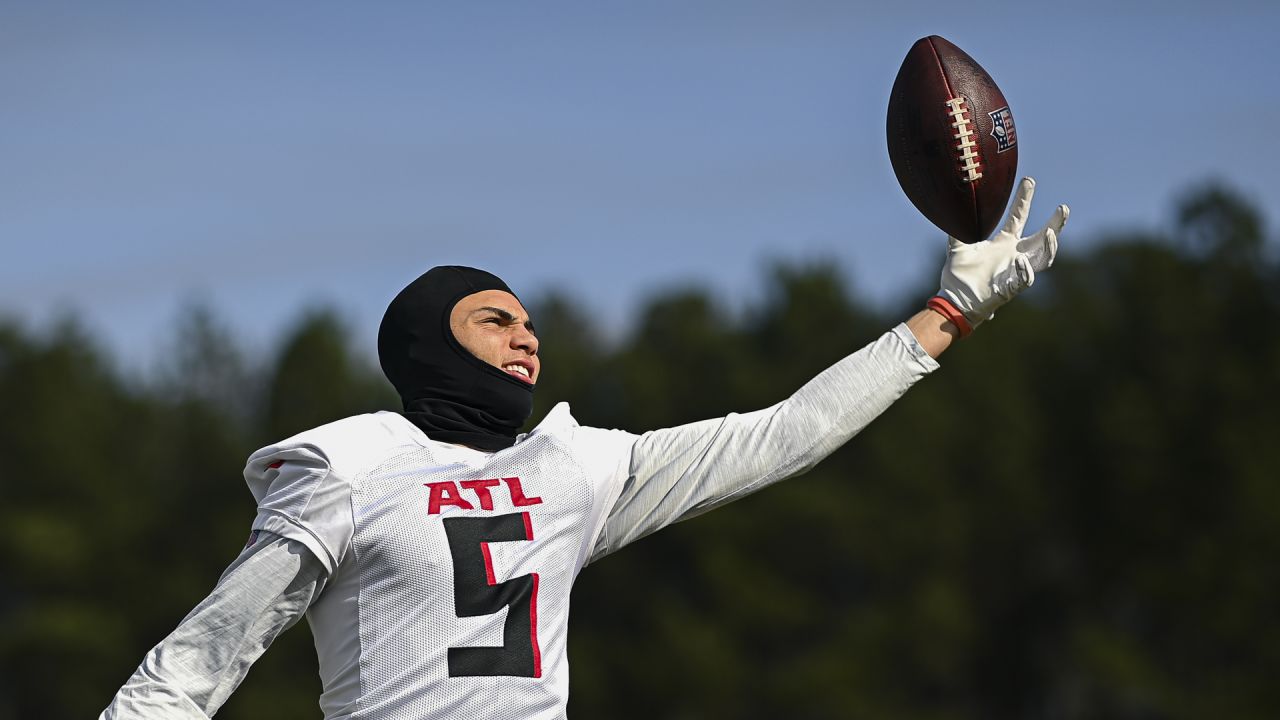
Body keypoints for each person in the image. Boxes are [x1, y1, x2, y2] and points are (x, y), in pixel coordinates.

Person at [101, 178, 1067, 719]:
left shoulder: (572, 467)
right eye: (494, 321)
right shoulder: (350, 464)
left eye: (531, 323)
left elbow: (787, 434)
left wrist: (949, 314)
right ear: (430, 341)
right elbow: (195, 667)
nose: (527, 339)